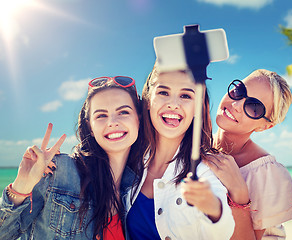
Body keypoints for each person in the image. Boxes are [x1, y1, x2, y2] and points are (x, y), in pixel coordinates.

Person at [0, 76, 146, 239]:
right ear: (90, 126)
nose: (112, 122)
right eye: (101, 116)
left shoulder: (142, 186)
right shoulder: (57, 172)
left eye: (123, 112)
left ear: (138, 118)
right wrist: (21, 187)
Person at [125, 65, 235, 240]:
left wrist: (213, 208)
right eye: (163, 92)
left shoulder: (205, 170)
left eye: (185, 95)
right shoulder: (128, 158)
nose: (173, 104)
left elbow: (222, 233)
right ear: (147, 100)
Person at [204, 69, 292, 239]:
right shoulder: (196, 144)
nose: (236, 104)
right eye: (239, 91)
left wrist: (239, 194)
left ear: (264, 126)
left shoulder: (266, 174)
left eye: (254, 107)